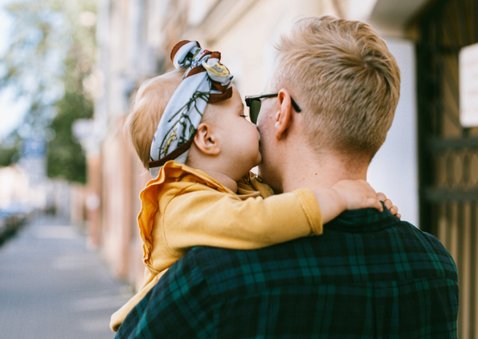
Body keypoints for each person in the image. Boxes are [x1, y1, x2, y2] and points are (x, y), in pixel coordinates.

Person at [117, 16, 458, 338]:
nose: (253, 121)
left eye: (253, 107)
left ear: (281, 111)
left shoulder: (212, 275)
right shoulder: (434, 264)